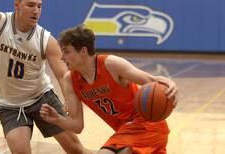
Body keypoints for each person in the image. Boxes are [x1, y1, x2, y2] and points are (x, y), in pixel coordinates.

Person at [0, 1, 90, 154]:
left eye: (39, 6)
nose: (36, 11)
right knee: (21, 152)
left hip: (42, 99)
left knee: (76, 150)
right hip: (11, 106)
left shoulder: (45, 39)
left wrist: (69, 100)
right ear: (17, 5)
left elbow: (63, 75)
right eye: (30, 5)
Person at [40, 25, 178, 154]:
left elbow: (151, 81)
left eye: (66, 52)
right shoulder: (70, 80)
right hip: (126, 132)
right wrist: (57, 119)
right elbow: (77, 126)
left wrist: (170, 85)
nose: (62, 58)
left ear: (83, 51)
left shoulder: (110, 64)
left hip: (148, 124)